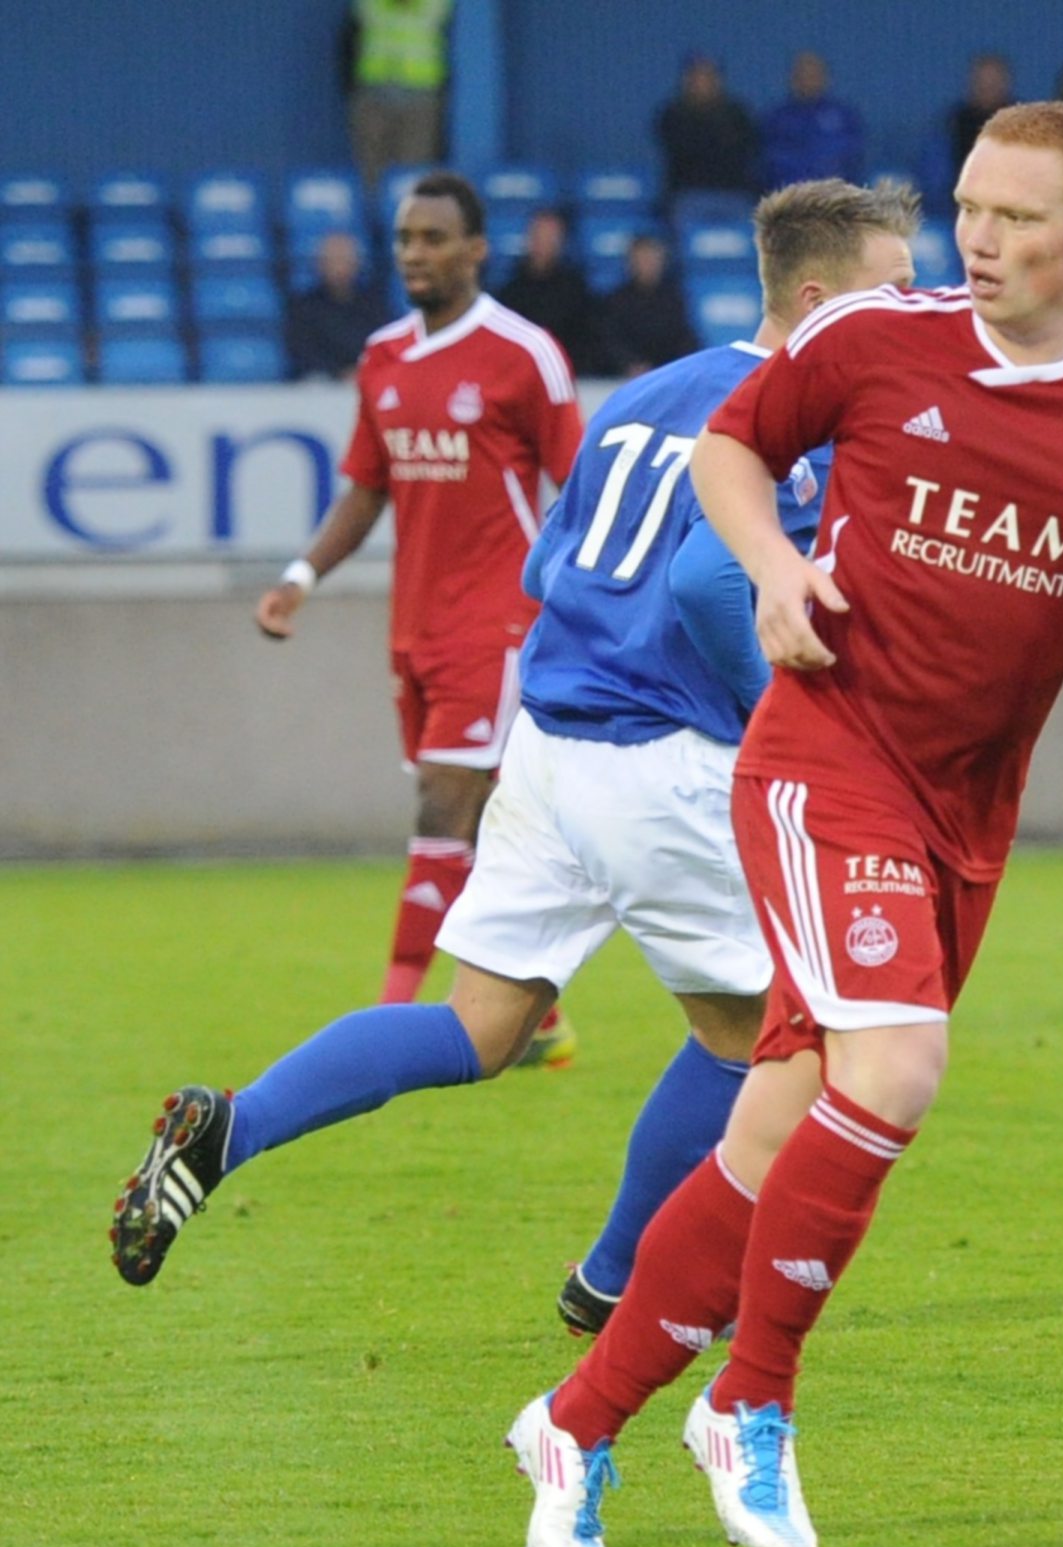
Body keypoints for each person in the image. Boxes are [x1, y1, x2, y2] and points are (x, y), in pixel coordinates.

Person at [509, 100, 1063, 1547]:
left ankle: (576, 1419)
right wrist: (772, 570)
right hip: (827, 760)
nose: (979, 240)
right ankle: (751, 1404)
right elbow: (730, 454)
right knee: (899, 1064)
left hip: (968, 808)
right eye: (968, 209)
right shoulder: (877, 340)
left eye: (1016, 216)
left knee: (772, 1134)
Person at [108, 181, 919, 1363]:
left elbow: (550, 556)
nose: (917, 311)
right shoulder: (800, 421)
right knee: (755, 1038)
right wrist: (767, 723)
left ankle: (231, 1126)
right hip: (668, 761)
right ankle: (610, 1275)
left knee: (479, 1024)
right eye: (895, 290)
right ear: (819, 298)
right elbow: (702, 586)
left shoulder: (645, 395)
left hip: (550, 746)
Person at [254, 172, 583, 1017]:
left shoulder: (523, 353)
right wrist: (301, 578)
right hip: (415, 625)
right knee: (490, 817)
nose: (415, 253)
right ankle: (539, 1015)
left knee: (443, 796)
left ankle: (391, 1010)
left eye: (434, 238)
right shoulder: (383, 357)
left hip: (501, 618)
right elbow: (367, 488)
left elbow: (579, 487)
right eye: (405, 239)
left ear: (476, 249)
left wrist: (590, 602)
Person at [343, 0, 454, 191]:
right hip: (375, 87)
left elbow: (435, 11)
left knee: (413, 167)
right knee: (371, 166)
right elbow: (365, 11)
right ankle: (375, 216)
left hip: (420, 89)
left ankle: (415, 217)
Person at [497, 208, 600, 375]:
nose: (544, 243)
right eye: (539, 236)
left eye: (550, 237)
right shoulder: (511, 291)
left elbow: (588, 340)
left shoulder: (577, 291)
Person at [653, 52, 760, 207]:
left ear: (718, 80)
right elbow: (685, 153)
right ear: (686, 80)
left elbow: (743, 152)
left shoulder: (738, 114)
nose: (702, 82)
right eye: (696, 76)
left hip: (734, 193)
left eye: (708, 76)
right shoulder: (671, 115)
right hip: (687, 194)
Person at [285, 231, 388, 381]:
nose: (339, 268)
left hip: (367, 376)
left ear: (357, 263)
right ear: (320, 264)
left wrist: (362, 369)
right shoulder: (304, 306)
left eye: (345, 260)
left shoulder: (373, 304)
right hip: (324, 381)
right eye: (333, 261)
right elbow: (302, 351)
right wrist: (338, 373)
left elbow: (383, 343)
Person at [596, 233, 699, 377]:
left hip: (668, 373)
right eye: (642, 259)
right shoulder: (616, 301)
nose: (647, 264)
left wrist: (678, 366)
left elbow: (684, 338)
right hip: (625, 376)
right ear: (630, 263)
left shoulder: (674, 299)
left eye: (651, 259)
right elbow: (611, 340)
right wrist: (629, 363)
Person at [760, 50, 865, 190]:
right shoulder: (775, 119)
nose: (808, 81)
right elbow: (769, 161)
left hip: (836, 193)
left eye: (814, 75)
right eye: (802, 76)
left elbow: (853, 154)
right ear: (792, 79)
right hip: (790, 194)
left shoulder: (844, 116)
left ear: (826, 78)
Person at [946, 53, 1014, 175]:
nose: (988, 88)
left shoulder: (1025, 125)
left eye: (994, 83)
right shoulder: (951, 126)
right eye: (982, 82)